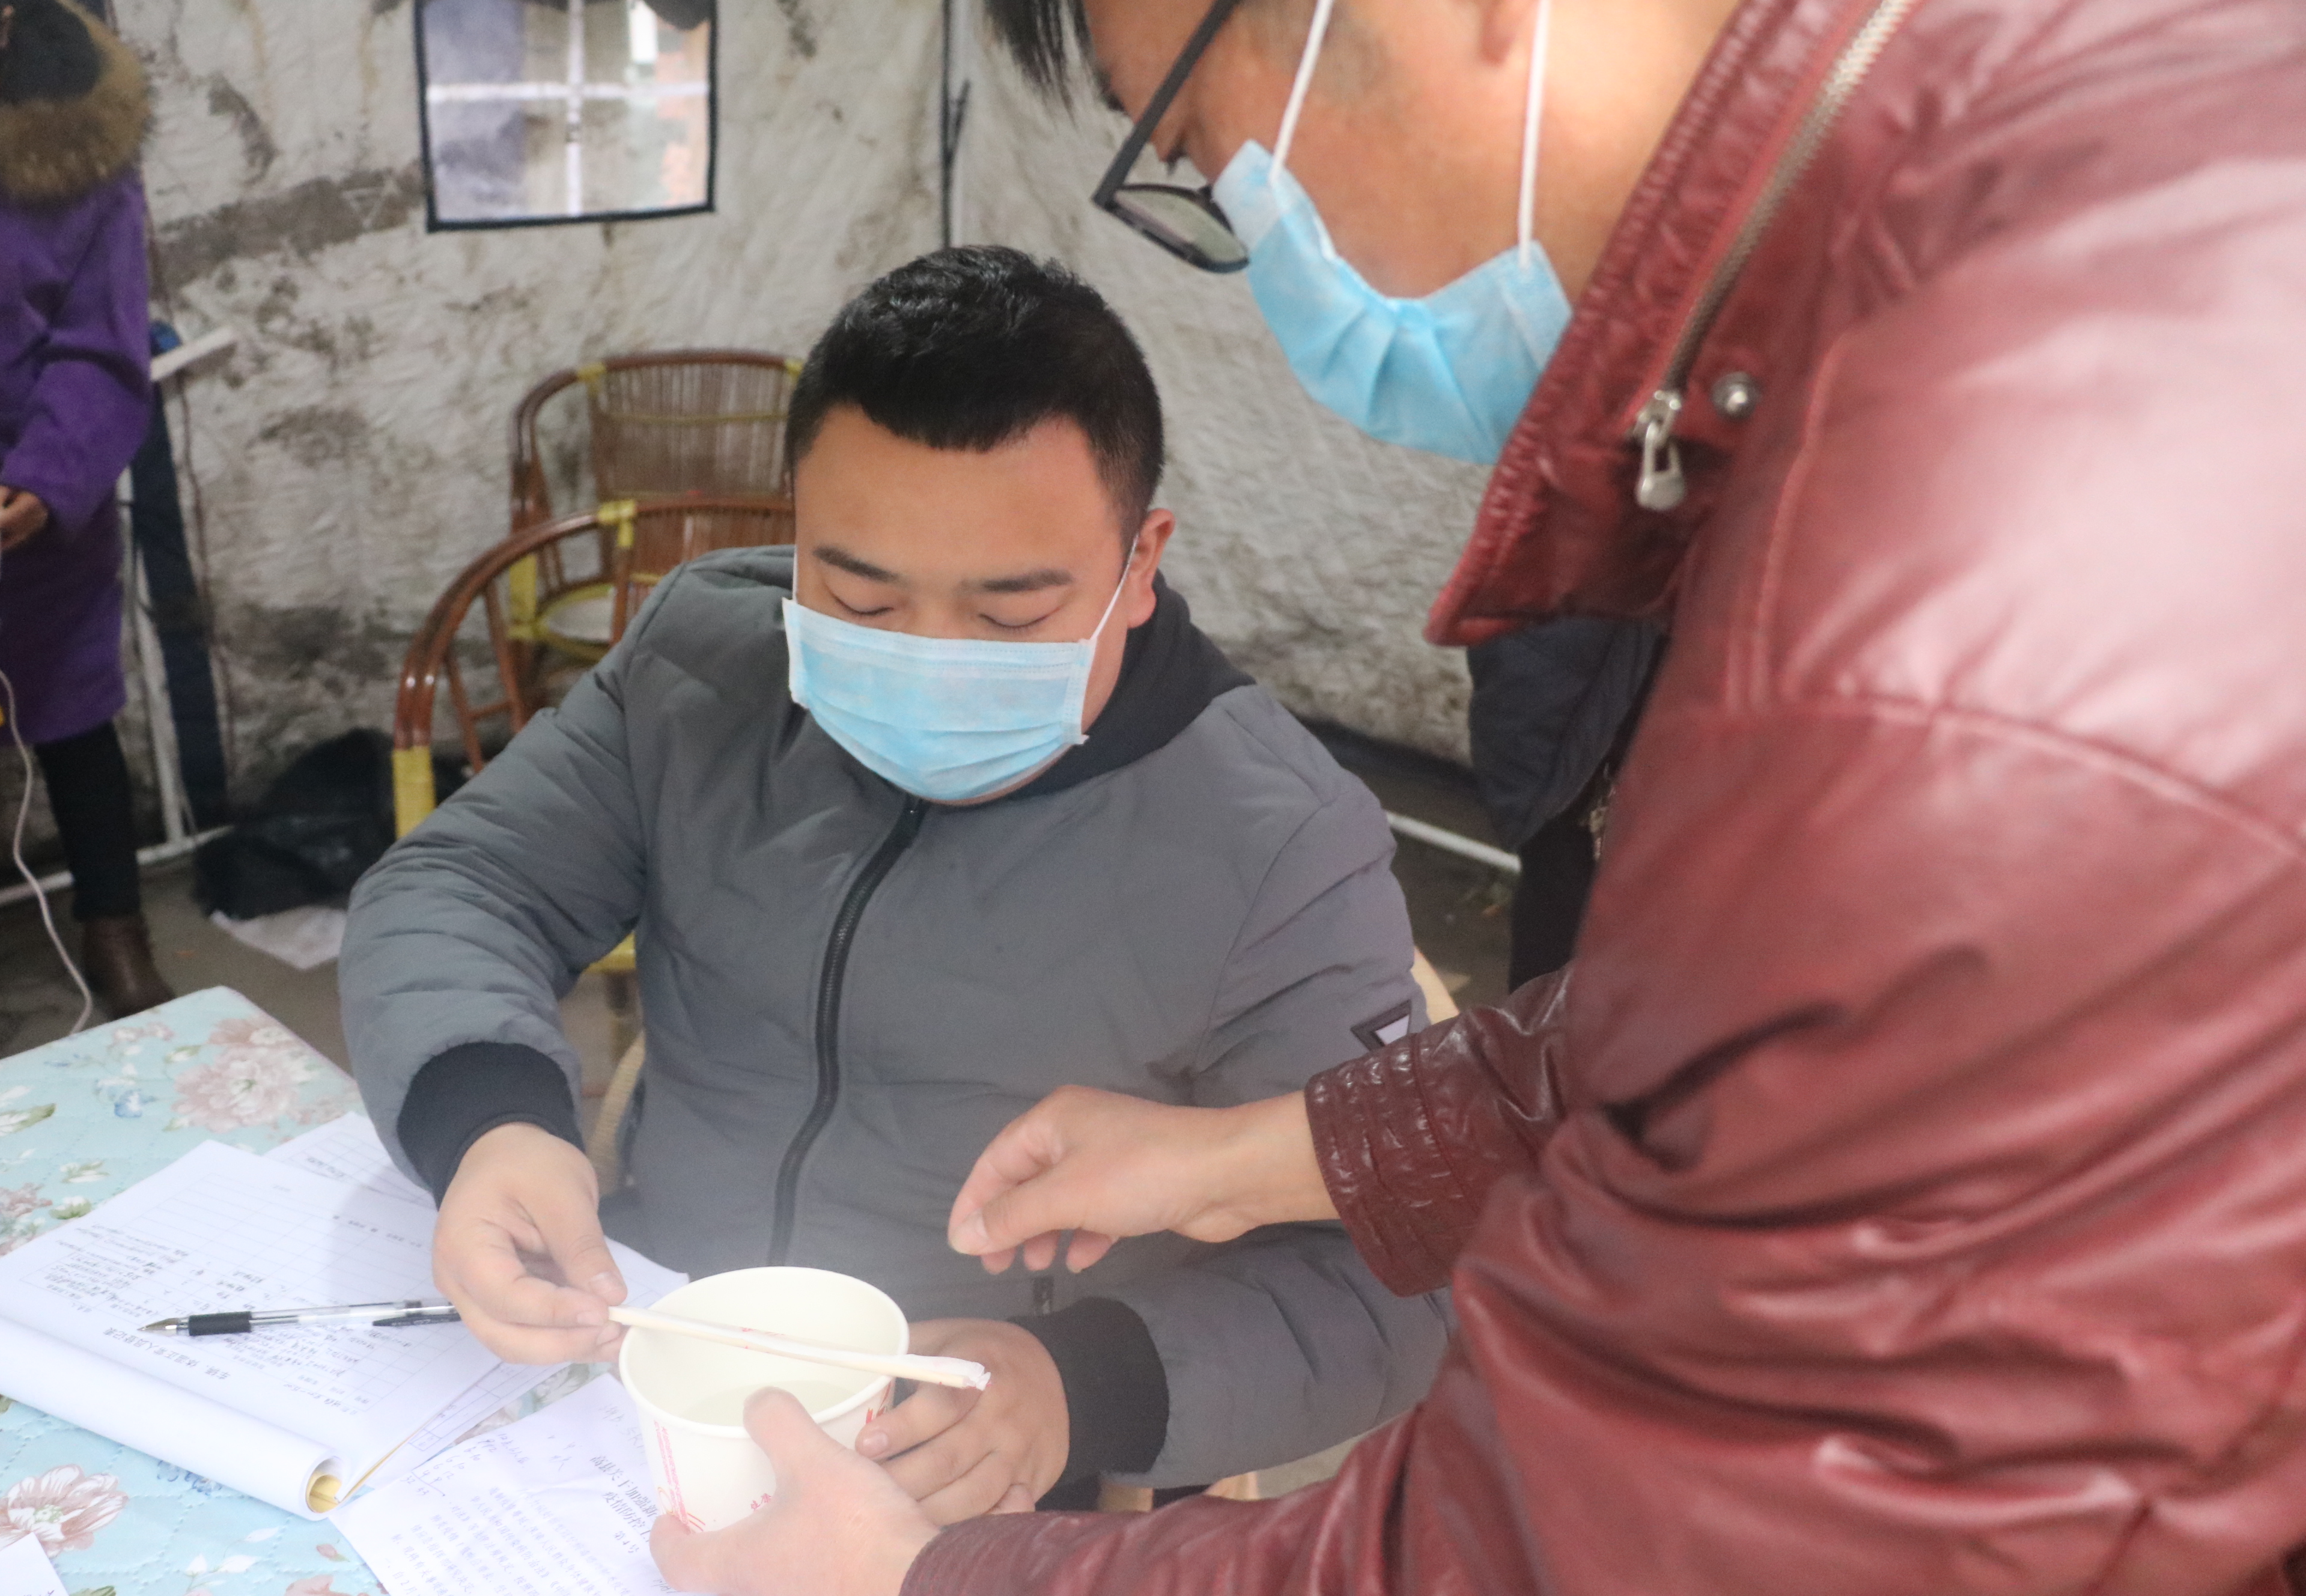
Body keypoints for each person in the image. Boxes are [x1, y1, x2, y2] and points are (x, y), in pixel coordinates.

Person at [643, 0, 2306, 1591]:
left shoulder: (1946, 600)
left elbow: (1622, 1539)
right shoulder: (2069, 240)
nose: (1265, 243)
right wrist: (1260, 1154)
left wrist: (935, 1571)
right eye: (858, 591)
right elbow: (1744, 1030)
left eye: (1208, 150)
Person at [340, 246, 1450, 1524]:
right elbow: (467, 881)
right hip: (654, 1357)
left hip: (978, 1462)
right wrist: (490, 1123)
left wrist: (1076, 1385)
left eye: (1011, 617)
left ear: (1141, 560)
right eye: (860, 596)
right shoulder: (704, 666)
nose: (928, 662)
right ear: (796, 530)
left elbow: (1397, 1270)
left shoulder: (1276, 842)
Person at [0, 0, 170, 1035]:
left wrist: (51, 477)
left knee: (72, 717)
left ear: (0, 20)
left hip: (34, 499)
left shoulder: (76, 137)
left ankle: (114, 930)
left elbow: (103, 342)